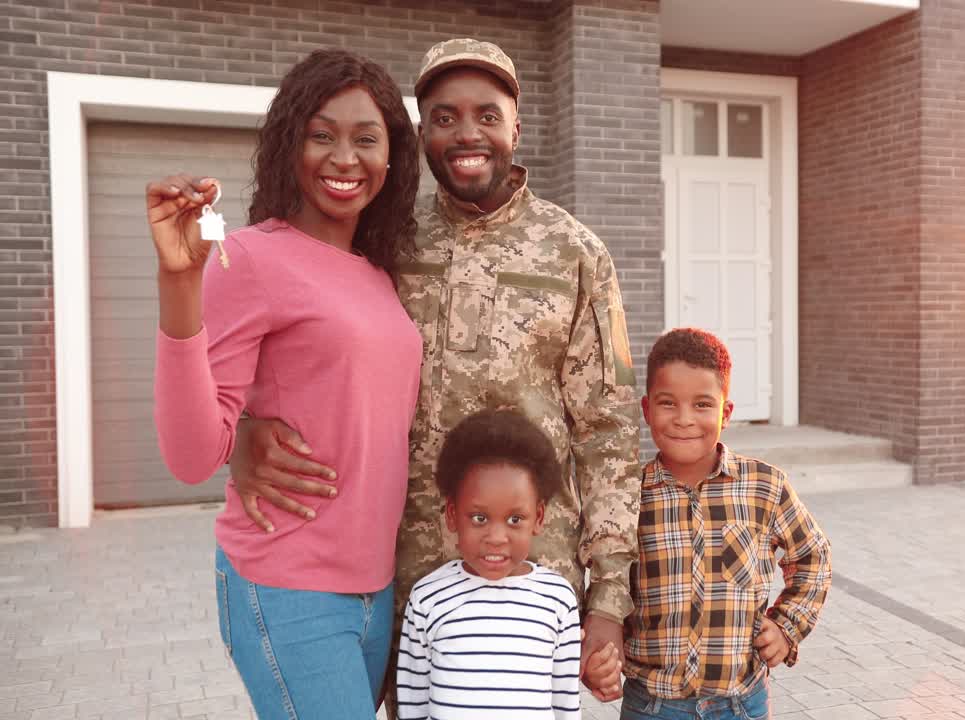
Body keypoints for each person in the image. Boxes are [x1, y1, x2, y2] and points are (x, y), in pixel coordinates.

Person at [222, 38, 641, 710]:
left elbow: (610, 432)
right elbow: (288, 344)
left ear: (516, 127)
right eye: (444, 117)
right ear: (421, 135)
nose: (467, 133)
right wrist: (237, 432)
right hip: (401, 576)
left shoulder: (579, 254)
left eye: (486, 114)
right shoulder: (384, 244)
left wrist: (609, 601)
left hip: (530, 581)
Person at [148, 48, 423, 719]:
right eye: (321, 134)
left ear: (391, 159)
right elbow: (189, 456)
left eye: (366, 139)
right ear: (289, 143)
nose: (344, 158)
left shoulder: (379, 274)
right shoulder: (250, 257)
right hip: (287, 583)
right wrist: (180, 283)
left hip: (375, 590)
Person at [618, 328, 832, 719]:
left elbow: (813, 556)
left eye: (702, 405)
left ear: (726, 413)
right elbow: (606, 580)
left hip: (740, 703)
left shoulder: (765, 486)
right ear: (647, 410)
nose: (684, 420)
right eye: (669, 404)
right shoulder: (629, 494)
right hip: (652, 704)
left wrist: (787, 627)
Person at [398, 409, 583, 719]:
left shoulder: (558, 600)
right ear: (453, 515)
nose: (496, 537)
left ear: (537, 518)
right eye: (480, 518)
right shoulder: (427, 598)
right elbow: (412, 705)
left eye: (515, 519)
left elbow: (566, 706)